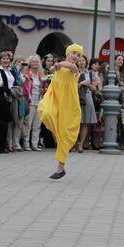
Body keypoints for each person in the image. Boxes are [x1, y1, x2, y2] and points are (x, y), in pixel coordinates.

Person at [38, 43, 83, 180]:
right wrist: (54, 66)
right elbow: (51, 69)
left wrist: (60, 64)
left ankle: (60, 169)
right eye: (73, 53)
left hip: (68, 104)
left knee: (64, 135)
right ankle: (55, 132)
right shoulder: (60, 65)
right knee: (45, 112)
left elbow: (70, 67)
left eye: (78, 54)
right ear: (67, 53)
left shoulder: (74, 68)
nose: (75, 56)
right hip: (54, 97)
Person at [22, 54, 46, 151]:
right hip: (30, 101)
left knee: (37, 125)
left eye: (36, 61)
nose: (35, 63)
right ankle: (26, 144)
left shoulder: (41, 74)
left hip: (40, 101)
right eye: (33, 61)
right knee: (28, 124)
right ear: (29, 64)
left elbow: (45, 87)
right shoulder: (26, 74)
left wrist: (43, 89)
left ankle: (34, 144)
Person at [76, 55, 97, 153]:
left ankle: (81, 144)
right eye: (79, 60)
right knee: (75, 121)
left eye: (83, 60)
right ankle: (74, 143)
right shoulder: (73, 72)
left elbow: (95, 89)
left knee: (85, 122)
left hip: (87, 96)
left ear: (86, 62)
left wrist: (87, 84)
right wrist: (79, 84)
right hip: (75, 96)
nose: (81, 62)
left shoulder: (90, 73)